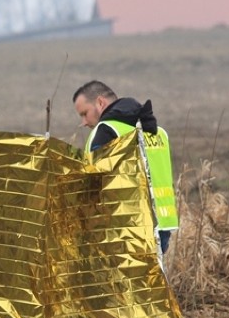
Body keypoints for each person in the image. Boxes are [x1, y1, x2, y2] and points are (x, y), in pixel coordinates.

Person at [72, 80, 178, 254]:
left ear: (100, 103)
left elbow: (93, 187)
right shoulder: (158, 132)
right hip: (162, 228)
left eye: (85, 113)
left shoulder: (104, 132)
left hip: (125, 230)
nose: (83, 122)